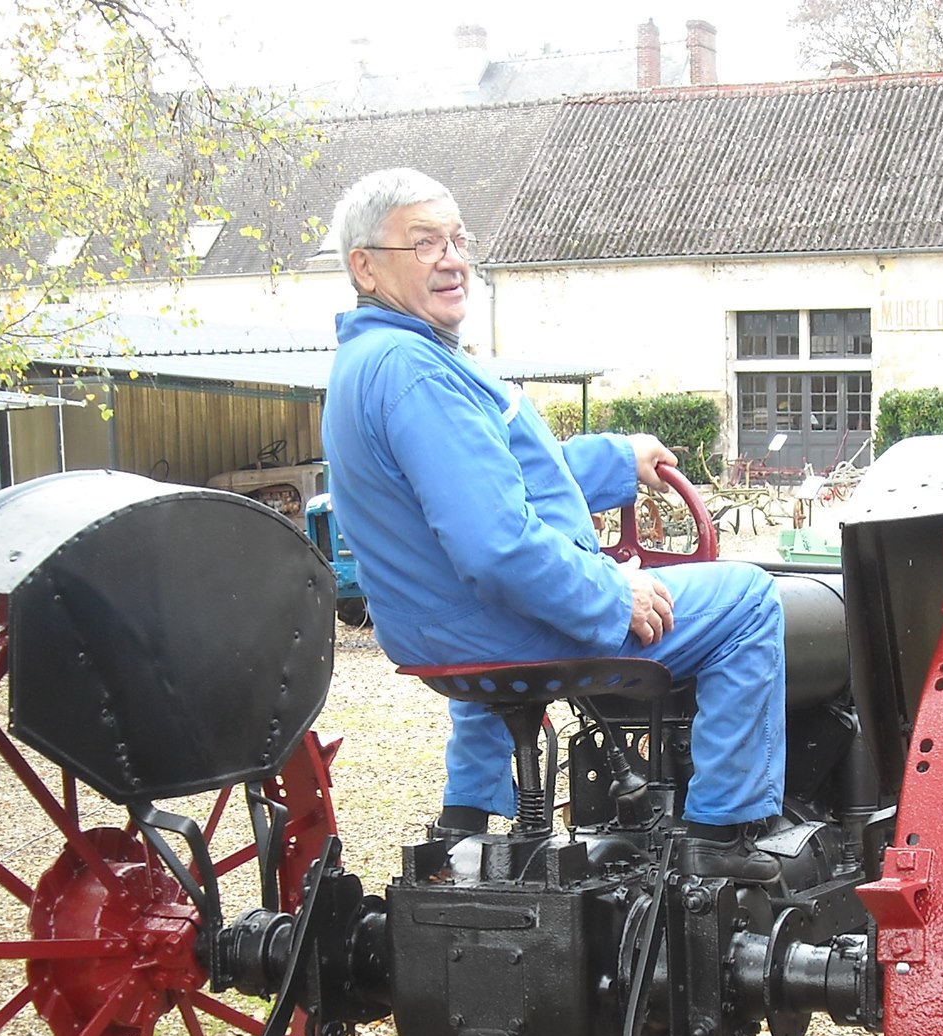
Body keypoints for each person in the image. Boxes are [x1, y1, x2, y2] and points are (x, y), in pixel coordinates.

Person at [322, 167, 787, 881]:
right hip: (494, 618)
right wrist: (612, 595)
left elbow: (498, 477)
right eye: (423, 244)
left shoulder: (373, 361)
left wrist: (616, 459)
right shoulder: (416, 372)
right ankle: (724, 838)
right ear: (364, 266)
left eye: (457, 239)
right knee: (750, 602)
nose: (451, 258)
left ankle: (465, 823)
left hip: (440, 627)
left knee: (509, 620)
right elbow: (498, 548)